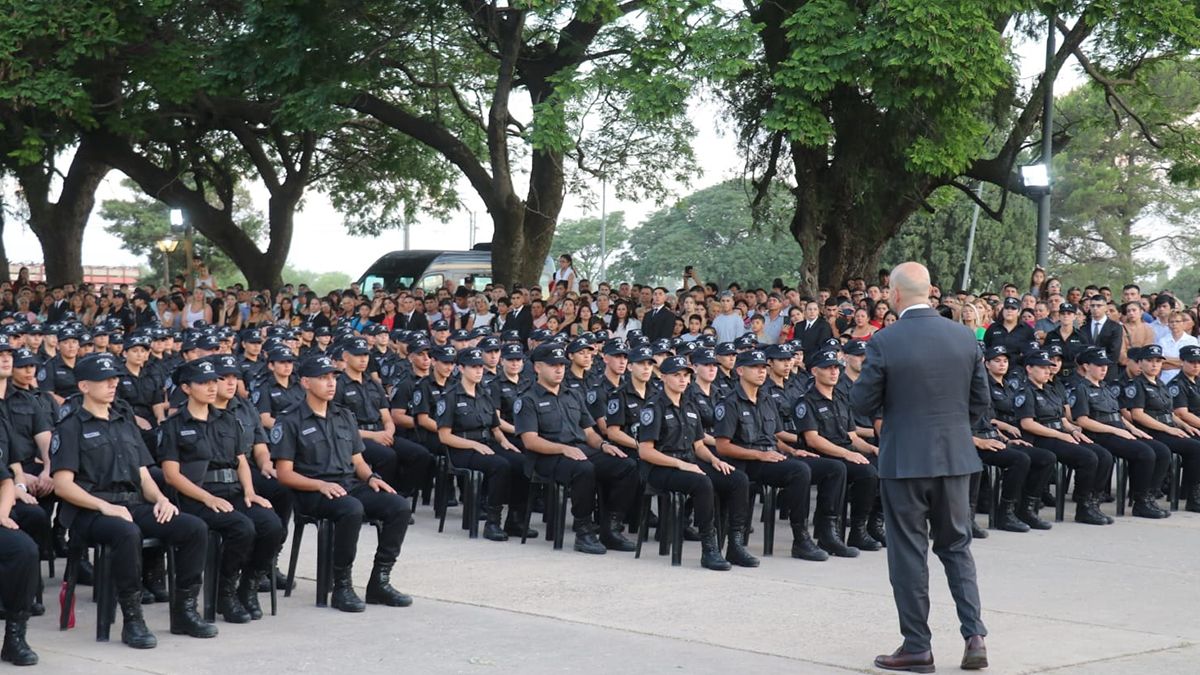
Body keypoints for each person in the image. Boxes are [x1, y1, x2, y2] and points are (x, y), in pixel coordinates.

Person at [850, 262, 989, 673]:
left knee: (909, 553)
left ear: (893, 295)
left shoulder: (885, 340)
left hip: (905, 461)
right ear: (931, 290)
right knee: (957, 546)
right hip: (955, 458)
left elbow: (861, 403)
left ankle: (917, 646)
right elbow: (980, 403)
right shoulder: (965, 336)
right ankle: (975, 635)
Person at [52, 353, 216, 648]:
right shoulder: (71, 427)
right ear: (84, 386)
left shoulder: (125, 423)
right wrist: (104, 506)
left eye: (115, 379)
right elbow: (62, 486)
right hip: (91, 511)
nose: (113, 384)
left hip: (132, 505)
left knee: (193, 528)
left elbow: (143, 475)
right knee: (127, 533)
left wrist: (161, 499)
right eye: (105, 380)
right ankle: (132, 619)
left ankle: (185, 612)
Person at [270, 355, 413, 612]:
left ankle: (379, 581)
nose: (331, 383)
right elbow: (284, 474)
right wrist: (318, 486)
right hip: (312, 491)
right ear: (305, 382)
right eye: (323, 378)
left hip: (348, 485)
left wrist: (371, 478)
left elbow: (357, 461)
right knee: (351, 509)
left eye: (333, 377)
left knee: (398, 506)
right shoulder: (290, 419)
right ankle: (342, 585)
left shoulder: (344, 415)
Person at [159, 357, 283, 623]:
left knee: (271, 525)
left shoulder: (228, 420)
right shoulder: (175, 425)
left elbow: (240, 460)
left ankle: (248, 586)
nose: (212, 387)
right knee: (242, 527)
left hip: (233, 492)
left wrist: (249, 492)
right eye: (203, 383)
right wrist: (207, 497)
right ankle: (224, 593)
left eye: (214, 381)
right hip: (197, 495)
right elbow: (171, 474)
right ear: (186, 388)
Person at [713, 348, 849, 562]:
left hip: (770, 457)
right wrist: (758, 456)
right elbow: (722, 446)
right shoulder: (729, 402)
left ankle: (825, 532)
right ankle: (798, 538)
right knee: (799, 470)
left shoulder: (766, 399)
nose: (761, 372)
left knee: (833, 467)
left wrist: (793, 450)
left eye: (763, 368)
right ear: (740, 370)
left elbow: (773, 436)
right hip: (745, 462)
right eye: (755, 368)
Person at [637, 355, 759, 570]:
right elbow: (646, 451)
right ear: (663, 377)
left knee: (737, 479)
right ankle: (709, 548)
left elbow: (699, 445)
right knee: (702, 483)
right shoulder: (653, 406)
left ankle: (735, 545)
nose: (682, 380)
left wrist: (714, 460)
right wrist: (680, 465)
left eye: (685, 375)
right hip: (661, 468)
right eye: (676, 375)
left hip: (688, 462)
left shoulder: (689, 405)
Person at [514, 343, 639, 554]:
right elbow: (530, 441)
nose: (559, 369)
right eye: (553, 365)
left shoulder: (572, 395)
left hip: (580, 449)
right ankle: (584, 531)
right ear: (537, 367)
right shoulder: (527, 399)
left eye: (561, 365)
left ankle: (611, 528)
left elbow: (589, 432)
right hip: (547, 456)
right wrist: (562, 449)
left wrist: (603, 444)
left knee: (626, 465)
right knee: (584, 469)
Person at [436, 347, 531, 540]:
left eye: (480, 366)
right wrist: (473, 445)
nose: (479, 371)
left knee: (522, 463)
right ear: (461, 369)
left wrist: (505, 442)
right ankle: (492, 522)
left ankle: (515, 519)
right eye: (473, 367)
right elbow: (444, 436)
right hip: (461, 449)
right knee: (500, 466)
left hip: (487, 443)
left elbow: (495, 428)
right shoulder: (450, 396)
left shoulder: (484, 394)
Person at [1069, 347, 1171, 518]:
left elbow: (1117, 414)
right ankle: (1093, 504)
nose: (1104, 369)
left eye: (1106, 366)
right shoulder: (1081, 388)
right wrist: (1116, 430)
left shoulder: (1105, 387)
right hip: (1100, 434)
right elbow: (1083, 421)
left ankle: (1147, 497)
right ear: (1086, 366)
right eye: (1099, 365)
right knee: (1145, 453)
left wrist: (1132, 429)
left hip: (1118, 431)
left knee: (1161, 451)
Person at [796, 348, 882, 552]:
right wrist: (847, 453)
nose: (834, 372)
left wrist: (873, 449)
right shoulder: (805, 401)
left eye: (836, 367)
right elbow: (813, 440)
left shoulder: (841, 400)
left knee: (875, 468)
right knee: (837, 469)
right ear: (815, 371)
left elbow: (852, 437)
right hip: (817, 456)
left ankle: (860, 529)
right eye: (828, 368)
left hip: (844, 454)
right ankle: (828, 532)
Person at [1121, 344, 1200, 511]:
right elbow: (1137, 415)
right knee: (1192, 448)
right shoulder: (1136, 385)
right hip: (1151, 431)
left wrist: (1185, 426)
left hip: (1168, 428)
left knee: (1195, 444)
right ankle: (1147, 497)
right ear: (1140, 363)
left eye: (1158, 361)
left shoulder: (1160, 384)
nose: (1155, 364)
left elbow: (1169, 412)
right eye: (1150, 361)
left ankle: (1192, 493)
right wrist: (1168, 429)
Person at [1081, 295, 1123, 381]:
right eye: (1092, 306)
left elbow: (1114, 352)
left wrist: (1097, 365)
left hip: (1108, 372)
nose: (1095, 308)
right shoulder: (1083, 328)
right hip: (1087, 373)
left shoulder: (1115, 327)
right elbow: (1081, 350)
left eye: (1099, 306)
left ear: (1106, 308)